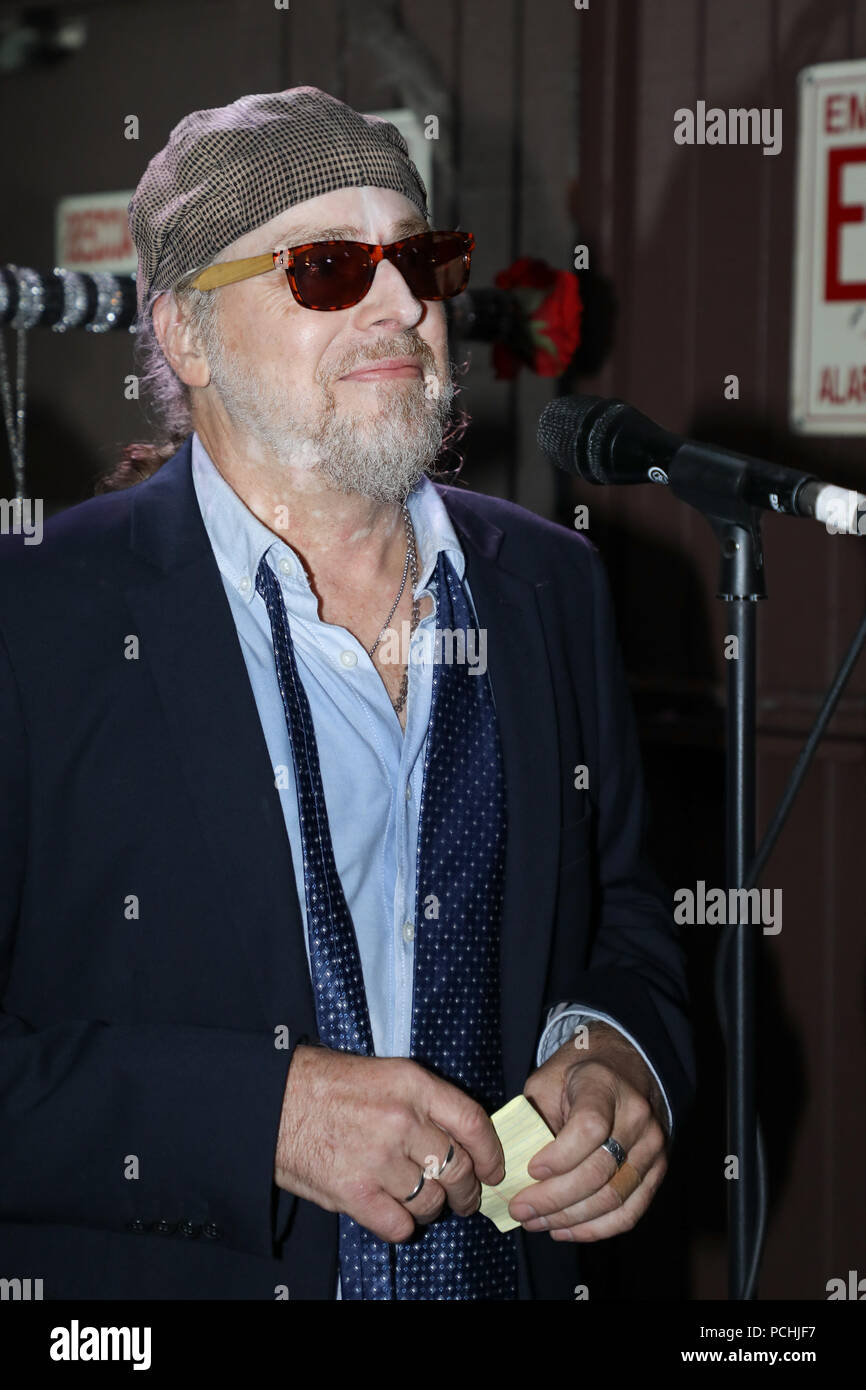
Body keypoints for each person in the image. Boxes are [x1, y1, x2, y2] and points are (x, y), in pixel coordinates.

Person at [0, 87, 694, 1300]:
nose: (402, 304)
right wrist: (259, 1117)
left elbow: (626, 917)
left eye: (417, 255)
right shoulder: (39, 618)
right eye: (325, 266)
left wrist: (617, 1055)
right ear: (187, 335)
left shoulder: (547, 587)